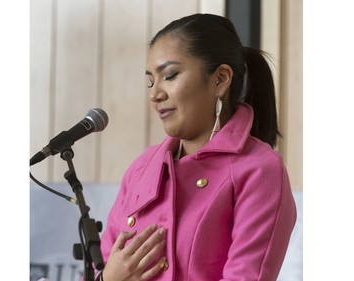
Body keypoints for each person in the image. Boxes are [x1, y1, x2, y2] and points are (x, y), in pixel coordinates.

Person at [97, 13, 297, 281]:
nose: (155, 94)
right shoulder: (142, 168)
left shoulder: (259, 169)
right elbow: (101, 267)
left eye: (170, 75)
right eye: (150, 81)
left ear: (220, 79)